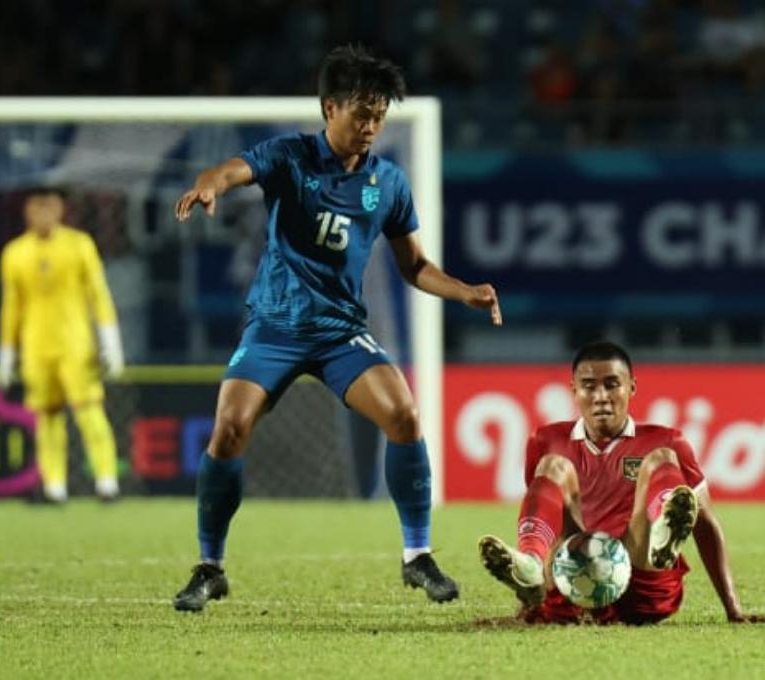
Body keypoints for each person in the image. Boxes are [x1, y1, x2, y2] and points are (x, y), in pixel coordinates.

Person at [171, 45, 502, 612]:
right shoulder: (290, 155)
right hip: (274, 325)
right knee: (229, 426)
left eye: (379, 115)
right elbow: (232, 169)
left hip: (339, 331)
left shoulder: (389, 183)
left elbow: (414, 267)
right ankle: (210, 567)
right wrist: (209, 185)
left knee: (404, 414)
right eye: (361, 114)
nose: (371, 126)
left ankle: (417, 556)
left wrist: (465, 290)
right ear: (329, 108)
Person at [479, 340, 763, 625]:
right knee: (553, 466)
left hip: (641, 582)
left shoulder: (667, 440)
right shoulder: (545, 441)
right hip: (571, 585)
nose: (601, 396)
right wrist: (527, 609)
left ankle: (662, 533)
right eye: (589, 386)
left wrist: (733, 609)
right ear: (574, 390)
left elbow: (705, 523)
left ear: (632, 387)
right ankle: (529, 564)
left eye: (612, 384)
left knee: (660, 458)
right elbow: (545, 519)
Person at [0, 187, 124, 504]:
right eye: (37, 206)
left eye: (50, 205)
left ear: (60, 209)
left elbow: (98, 294)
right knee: (47, 417)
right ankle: (54, 486)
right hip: (36, 347)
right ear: (27, 211)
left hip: (76, 345)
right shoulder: (14, 253)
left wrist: (110, 342)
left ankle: (106, 480)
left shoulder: (79, 245)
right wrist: (7, 354)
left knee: (89, 412)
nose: (43, 213)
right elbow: (11, 307)